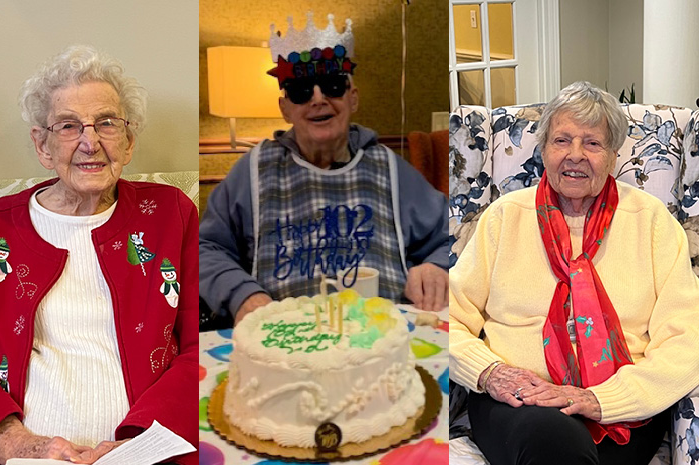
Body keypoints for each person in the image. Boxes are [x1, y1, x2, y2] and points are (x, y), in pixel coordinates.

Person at [0, 45, 198, 465]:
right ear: (42, 145)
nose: (90, 142)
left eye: (107, 123)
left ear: (129, 139)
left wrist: (143, 441)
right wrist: (14, 441)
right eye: (68, 126)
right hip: (23, 457)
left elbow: (200, 345)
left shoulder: (171, 216)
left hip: (148, 452)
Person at [448, 81, 699, 465]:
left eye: (593, 144)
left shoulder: (651, 222)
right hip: (520, 401)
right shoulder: (505, 217)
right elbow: (445, 318)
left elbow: (686, 339)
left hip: (622, 407)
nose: (575, 155)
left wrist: (601, 399)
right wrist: (490, 372)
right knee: (553, 441)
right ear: (544, 150)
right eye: (562, 140)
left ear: (614, 155)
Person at [199, 12, 450, 328]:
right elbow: (205, 248)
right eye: (301, 90)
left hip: (384, 338)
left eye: (332, 85)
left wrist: (437, 266)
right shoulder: (252, 171)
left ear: (353, 98)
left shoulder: (391, 168)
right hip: (282, 341)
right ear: (285, 107)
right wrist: (242, 295)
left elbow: (453, 234)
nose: (318, 99)